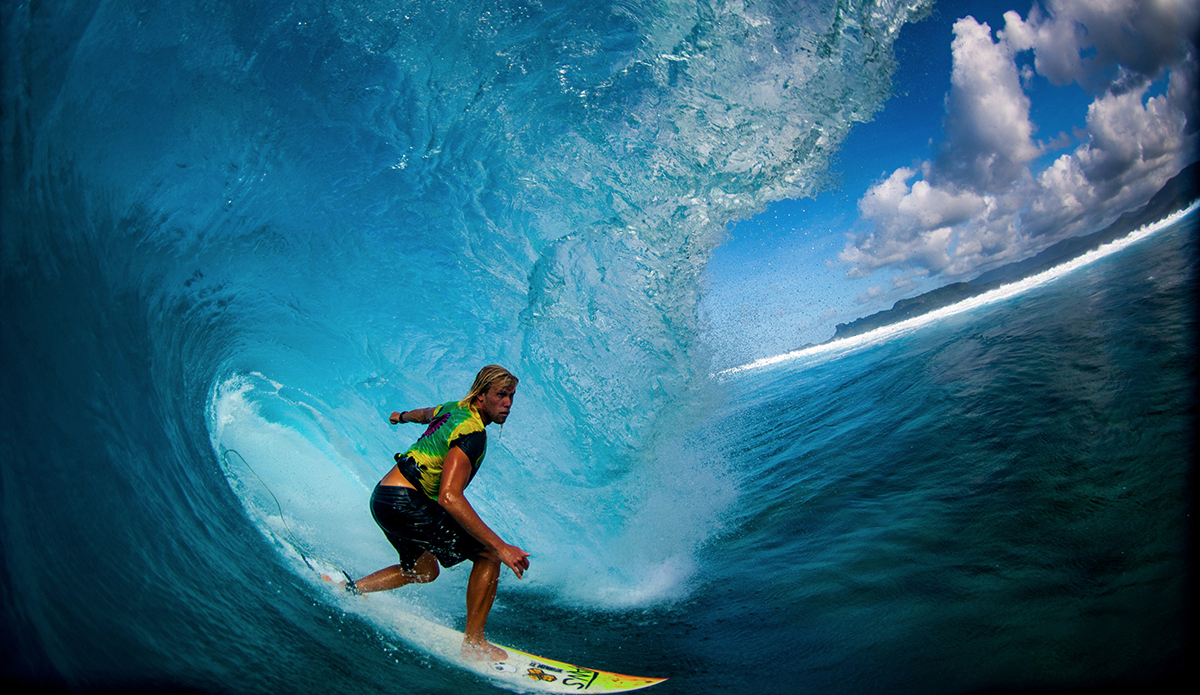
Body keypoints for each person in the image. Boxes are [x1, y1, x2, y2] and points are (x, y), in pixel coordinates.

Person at [347, 365, 530, 661]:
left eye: (511, 396)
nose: (508, 403)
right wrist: (501, 546)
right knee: (489, 555)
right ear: (481, 396)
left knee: (423, 571)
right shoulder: (472, 433)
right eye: (500, 395)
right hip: (405, 502)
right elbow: (449, 497)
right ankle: (474, 644)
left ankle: (352, 589)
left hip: (383, 497)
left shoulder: (453, 408)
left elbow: (424, 414)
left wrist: (400, 417)